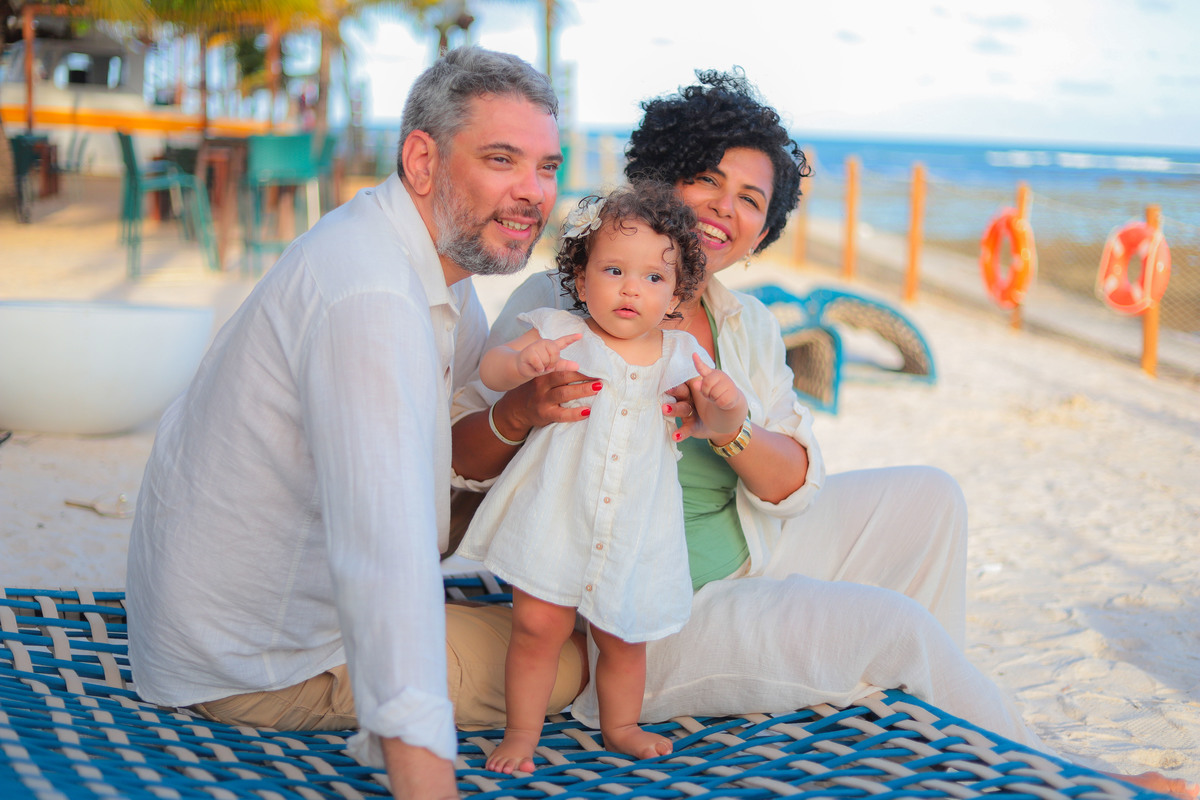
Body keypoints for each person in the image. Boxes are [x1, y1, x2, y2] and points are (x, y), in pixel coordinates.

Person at [446, 70, 1197, 799]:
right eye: (707, 179)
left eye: (751, 200)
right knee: (891, 627)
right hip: (654, 616)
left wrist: (733, 430)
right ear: (662, 178)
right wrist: (523, 409)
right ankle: (1061, 776)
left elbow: (795, 486)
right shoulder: (563, 301)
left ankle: (945, 725)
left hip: (755, 547)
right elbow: (456, 465)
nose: (725, 208)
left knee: (930, 497)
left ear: (763, 228)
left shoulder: (745, 322)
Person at [125, 47, 564, 800]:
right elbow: (384, 555)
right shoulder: (373, 298)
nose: (533, 192)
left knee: (565, 604)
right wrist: (427, 786)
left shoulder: (429, 268)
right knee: (584, 655)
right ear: (421, 161)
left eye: (547, 167)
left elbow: (446, 455)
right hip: (259, 665)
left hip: (211, 620)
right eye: (502, 159)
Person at [458, 183, 747, 772]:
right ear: (581, 278)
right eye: (614, 270)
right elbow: (491, 369)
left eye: (653, 277)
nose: (630, 288)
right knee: (536, 627)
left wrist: (726, 402)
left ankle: (620, 725)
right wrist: (521, 362)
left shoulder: (679, 352)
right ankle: (521, 735)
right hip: (557, 512)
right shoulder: (562, 331)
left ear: (675, 294)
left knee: (624, 635)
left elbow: (722, 424)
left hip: (635, 524)